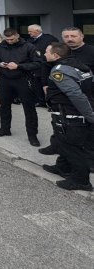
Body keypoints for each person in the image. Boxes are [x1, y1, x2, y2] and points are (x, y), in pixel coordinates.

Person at [42, 43, 94, 191]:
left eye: (47, 51)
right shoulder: (79, 66)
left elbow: (75, 95)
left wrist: (89, 115)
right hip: (72, 113)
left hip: (69, 114)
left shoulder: (60, 71)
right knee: (62, 141)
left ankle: (81, 181)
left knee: (72, 147)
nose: (44, 54)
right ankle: (62, 167)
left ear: (56, 56)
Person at [0, 28, 41, 146]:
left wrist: (19, 66)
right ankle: (5, 129)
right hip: (5, 80)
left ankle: (32, 135)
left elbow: (38, 63)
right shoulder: (0, 46)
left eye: (12, 39)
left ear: (17, 36)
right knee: (4, 106)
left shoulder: (28, 46)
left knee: (29, 109)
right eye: (7, 39)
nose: (9, 41)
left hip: (23, 79)